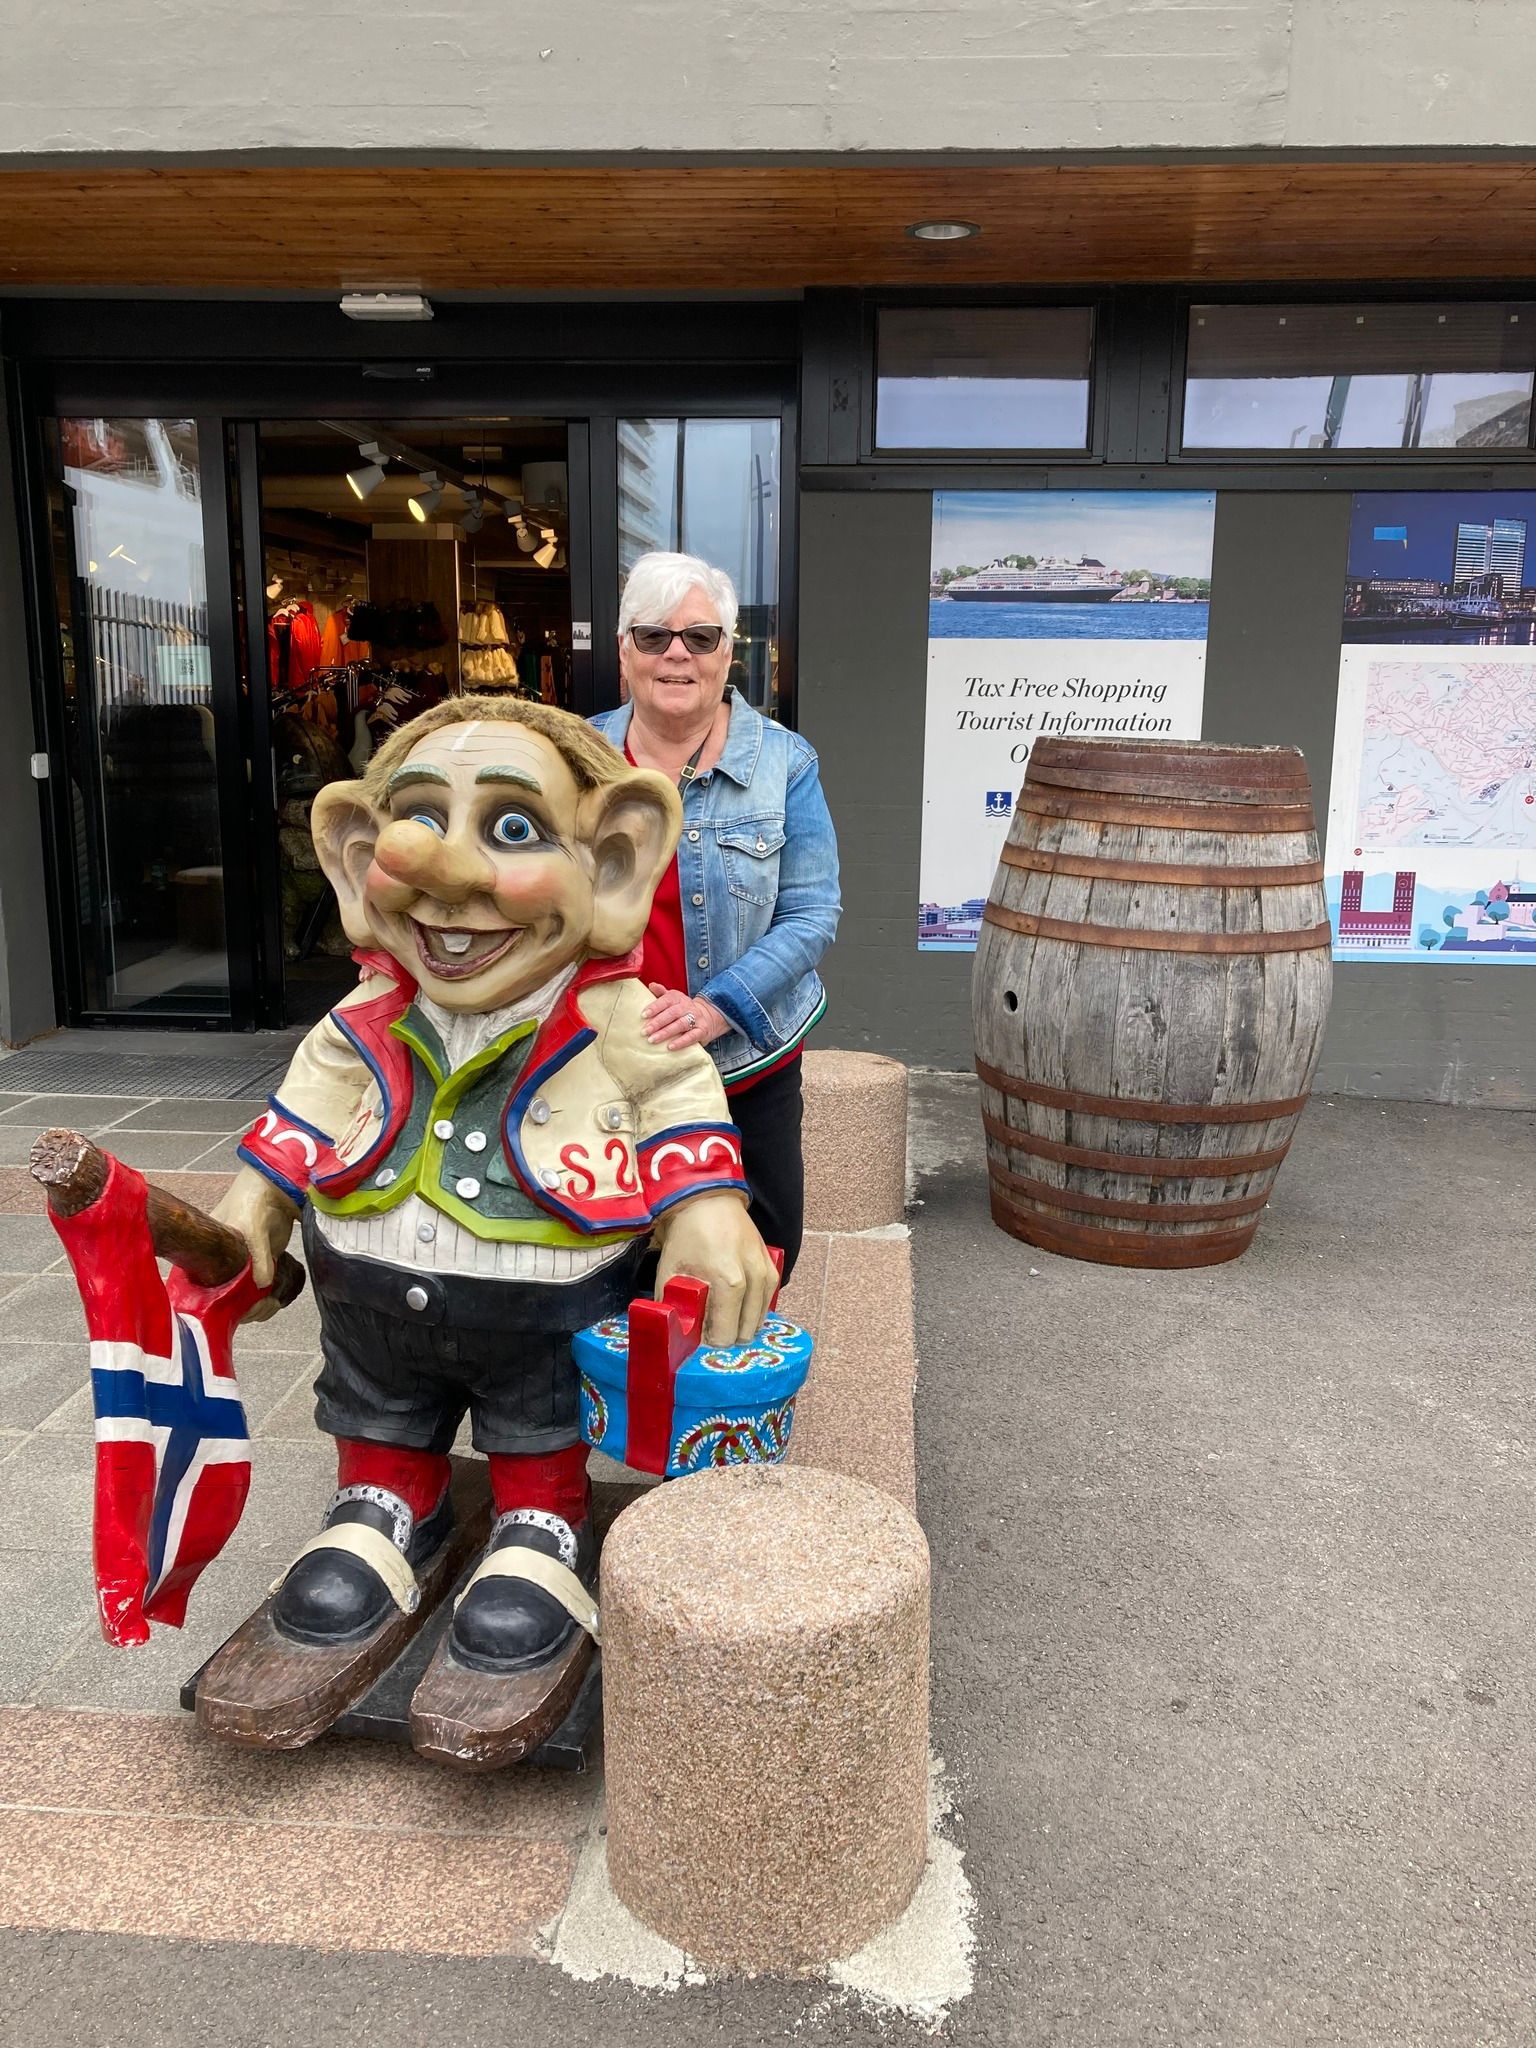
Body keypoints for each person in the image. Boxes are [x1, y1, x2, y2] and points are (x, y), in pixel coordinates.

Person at [592, 551, 841, 1280]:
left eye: (700, 638)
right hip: (601, 1060)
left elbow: (811, 914)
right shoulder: (573, 758)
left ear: (728, 654)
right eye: (653, 636)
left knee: (755, 1258)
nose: (677, 653)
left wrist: (712, 1011)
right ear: (623, 650)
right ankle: (621, 1395)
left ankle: (723, 1397)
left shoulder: (784, 764)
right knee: (609, 1259)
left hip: (742, 1063)